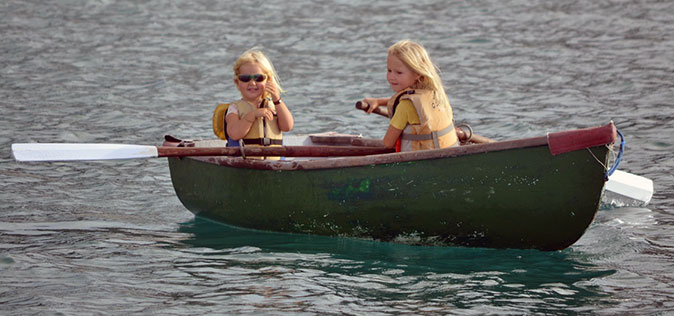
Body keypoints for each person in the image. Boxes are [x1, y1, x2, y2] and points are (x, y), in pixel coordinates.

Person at [361, 40, 458, 152]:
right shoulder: (435, 93)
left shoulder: (405, 106)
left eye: (399, 73)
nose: (391, 77)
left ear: (417, 73)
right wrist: (378, 101)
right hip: (450, 150)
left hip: (422, 160)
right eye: (389, 70)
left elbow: (387, 143)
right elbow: (416, 104)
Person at [212, 49, 293, 159]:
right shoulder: (234, 108)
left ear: (268, 80)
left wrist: (277, 99)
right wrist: (251, 116)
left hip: (275, 164)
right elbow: (234, 133)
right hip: (244, 164)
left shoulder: (275, 105)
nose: (252, 83)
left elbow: (287, 126)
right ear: (237, 82)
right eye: (245, 78)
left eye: (258, 78)